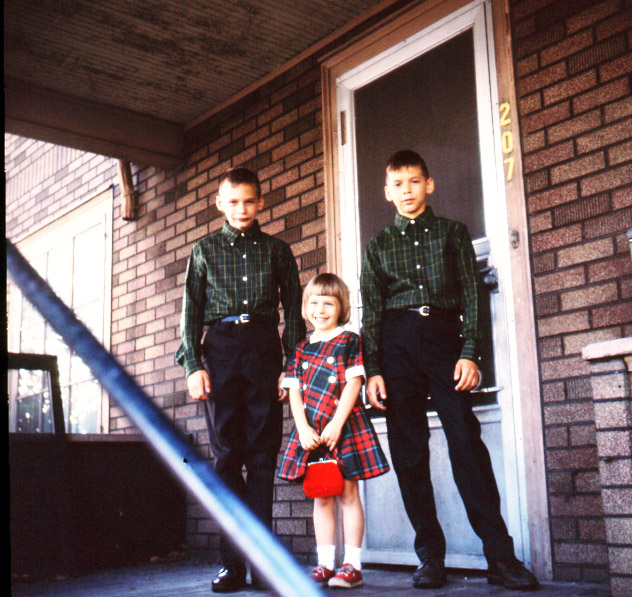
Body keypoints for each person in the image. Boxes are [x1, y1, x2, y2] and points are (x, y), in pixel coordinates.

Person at [360, 150, 539, 591]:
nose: (407, 191)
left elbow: (472, 297)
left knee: (464, 440)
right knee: (409, 450)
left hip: (444, 341)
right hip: (396, 345)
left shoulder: (452, 234)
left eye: (414, 182)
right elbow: (371, 314)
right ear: (387, 192)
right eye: (398, 185)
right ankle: (430, 557)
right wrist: (374, 368)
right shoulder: (379, 246)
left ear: (429, 184)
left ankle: (500, 556)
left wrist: (470, 352)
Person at [176, 167, 306, 593]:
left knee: (263, 454)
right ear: (220, 204)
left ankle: (264, 564)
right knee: (227, 454)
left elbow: (295, 316)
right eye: (233, 201)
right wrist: (194, 364)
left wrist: (291, 367)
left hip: (264, 347)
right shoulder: (205, 250)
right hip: (221, 348)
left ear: (261, 202)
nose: (242, 209)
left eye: (249, 200)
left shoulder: (278, 251)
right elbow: (191, 312)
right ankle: (231, 565)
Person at [278, 273, 390, 590]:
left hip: (344, 426)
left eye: (329, 303)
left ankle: (352, 566)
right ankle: (325, 564)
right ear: (305, 308)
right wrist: (301, 428)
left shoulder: (349, 340)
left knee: (349, 495)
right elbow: (295, 393)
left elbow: (355, 382)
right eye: (314, 303)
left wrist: (337, 423)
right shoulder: (300, 349)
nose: (321, 309)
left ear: (341, 307)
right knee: (321, 497)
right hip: (313, 432)